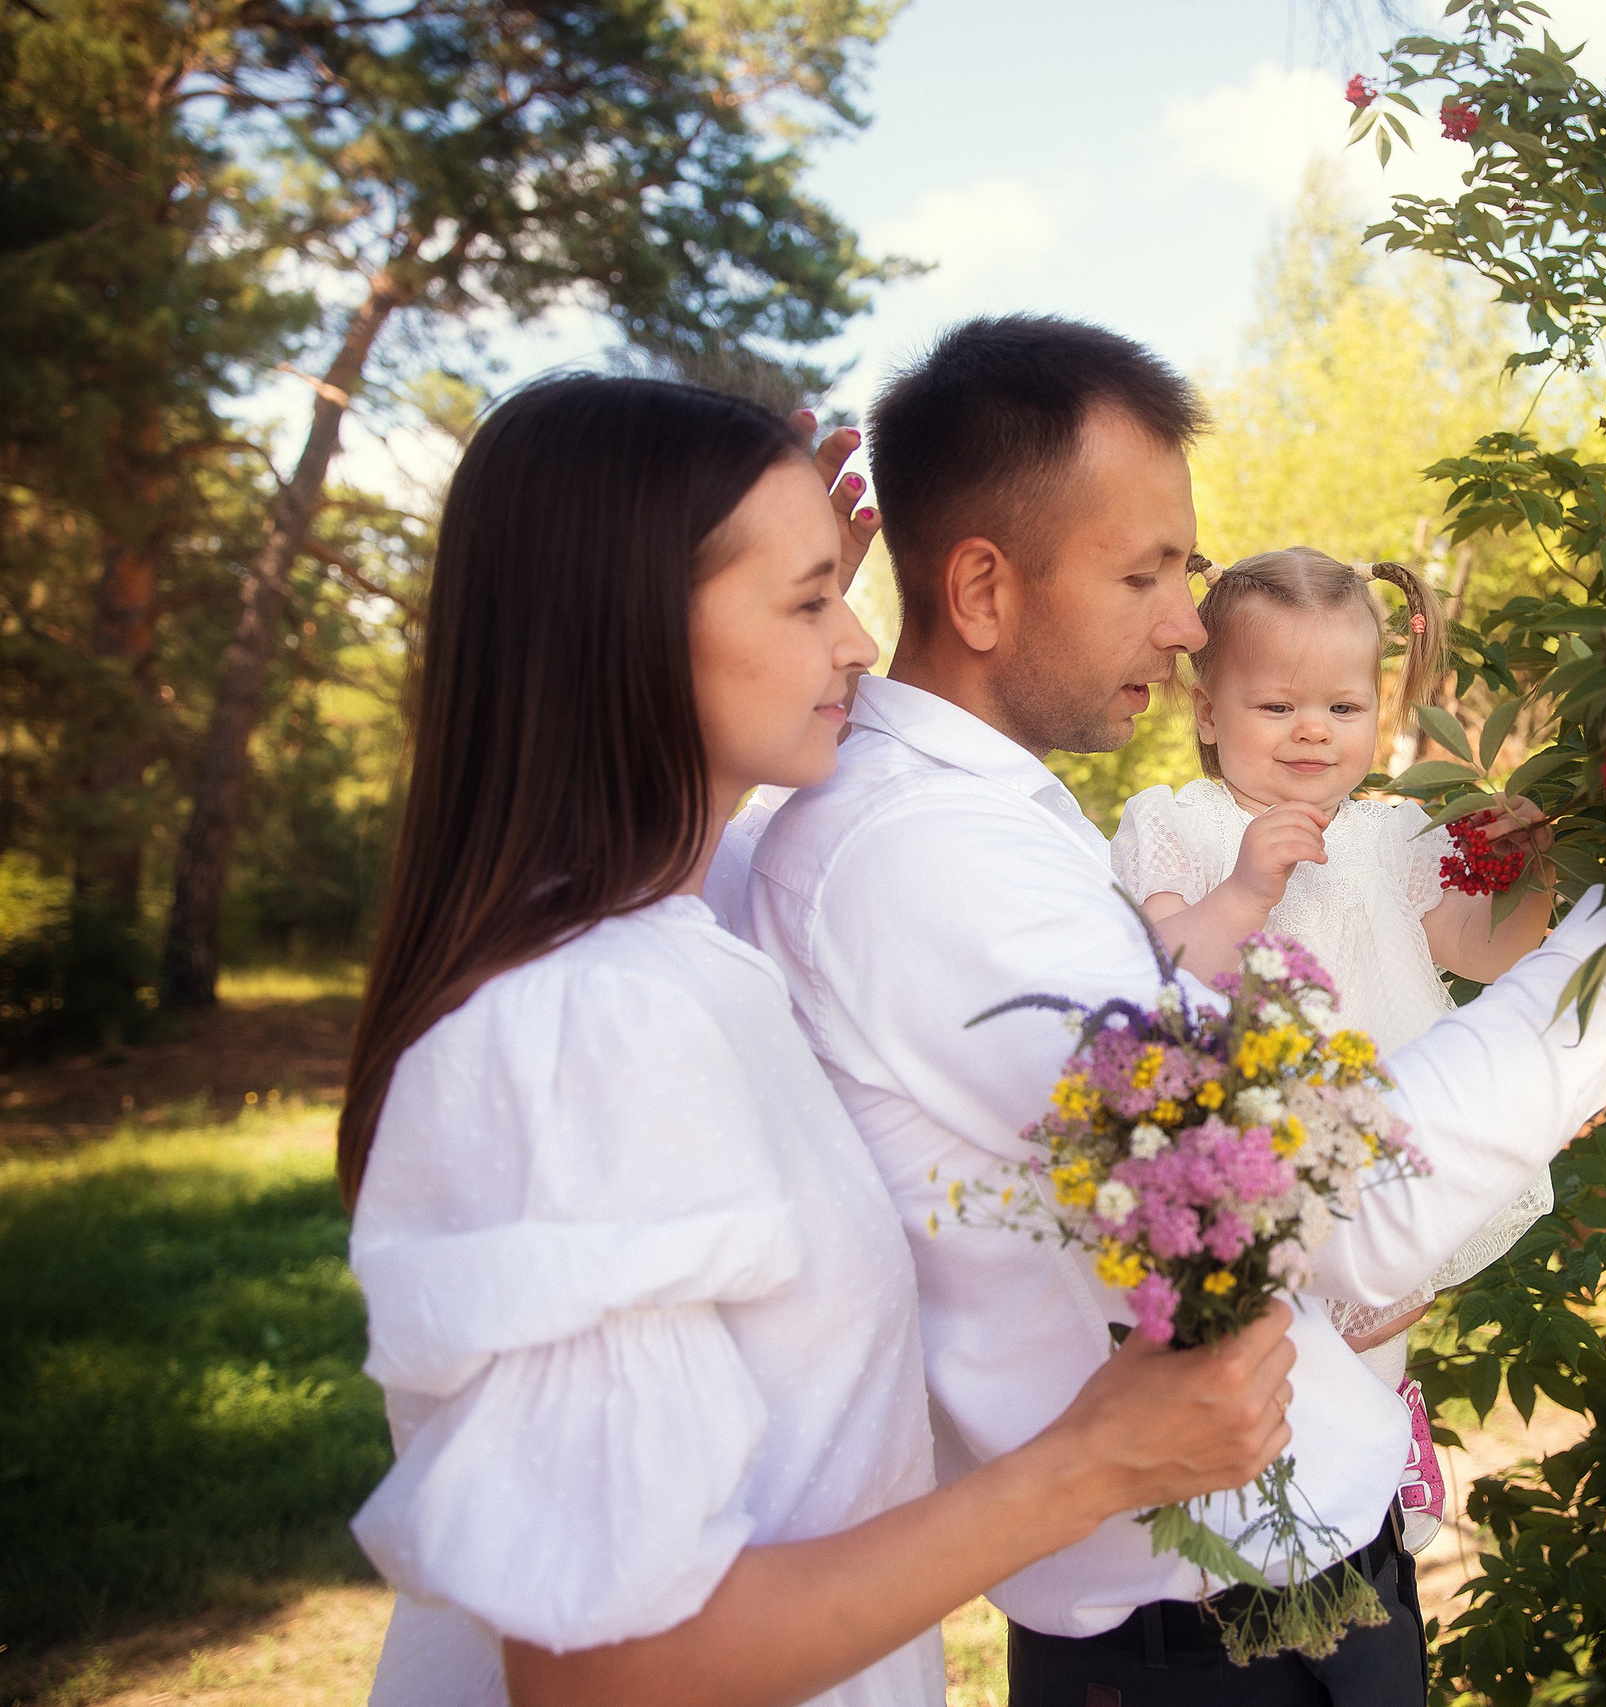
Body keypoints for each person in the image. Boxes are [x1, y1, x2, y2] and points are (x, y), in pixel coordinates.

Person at [336, 372, 1297, 1707]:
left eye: (841, 587)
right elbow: (616, 1669)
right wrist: (1095, 1462)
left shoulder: (685, 937)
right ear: (623, 635)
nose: (858, 642)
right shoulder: (583, 1020)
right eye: (807, 603)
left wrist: (789, 555)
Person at [740, 315, 1606, 1707]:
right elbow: (1320, 1195)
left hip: (1253, 1586)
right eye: (1144, 571)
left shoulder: (973, 823)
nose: (1184, 623)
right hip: (1210, 1638)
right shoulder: (931, 859)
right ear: (981, 590)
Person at [1108, 545, 1561, 1548]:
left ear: (1378, 712)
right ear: (1207, 710)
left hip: (1378, 1127)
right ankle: (1267, 1484)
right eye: (1277, 708)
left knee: (1380, 1294)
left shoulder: (1395, 833)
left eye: (1344, 709)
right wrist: (1243, 895)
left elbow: (1481, 952)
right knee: (1263, 1325)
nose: (1313, 731)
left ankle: (1385, 1423)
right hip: (1250, 1138)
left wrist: (1531, 872)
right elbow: (1160, 963)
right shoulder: (1177, 824)